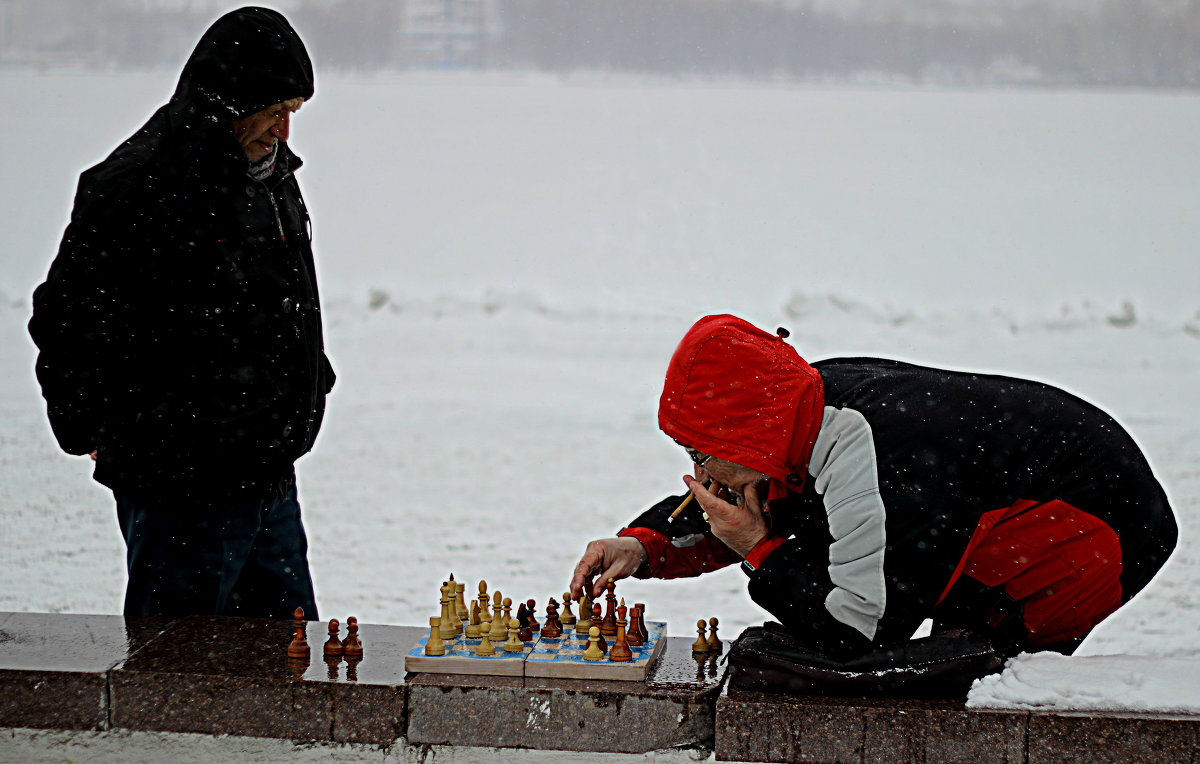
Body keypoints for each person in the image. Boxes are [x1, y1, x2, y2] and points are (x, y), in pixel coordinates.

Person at [571, 314, 1177, 660]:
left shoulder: (883, 459)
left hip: (1099, 523)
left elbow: (855, 628)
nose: (699, 476)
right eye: (687, 454)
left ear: (747, 439)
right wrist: (645, 546)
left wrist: (757, 547)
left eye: (705, 454)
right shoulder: (795, 408)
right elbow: (767, 502)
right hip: (983, 496)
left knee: (977, 674)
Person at [28, 7, 335, 620]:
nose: (282, 131)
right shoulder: (138, 184)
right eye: (273, 111)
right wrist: (89, 426)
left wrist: (307, 382)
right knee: (173, 679)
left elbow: (285, 301)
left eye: (292, 114)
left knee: (287, 672)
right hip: (182, 485)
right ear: (231, 100)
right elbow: (66, 316)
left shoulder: (271, 176)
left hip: (268, 476)